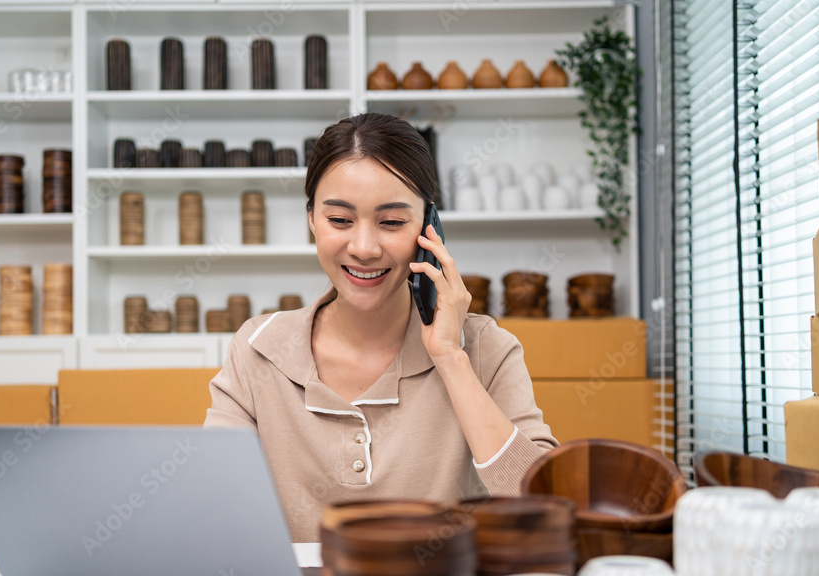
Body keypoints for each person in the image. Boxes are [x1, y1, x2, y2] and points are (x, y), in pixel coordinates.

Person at [205, 112, 558, 541]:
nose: (364, 248)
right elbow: (214, 510)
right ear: (312, 219)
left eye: (391, 222)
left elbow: (541, 509)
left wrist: (450, 358)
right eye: (339, 220)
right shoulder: (258, 349)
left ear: (429, 230)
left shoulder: (486, 349)